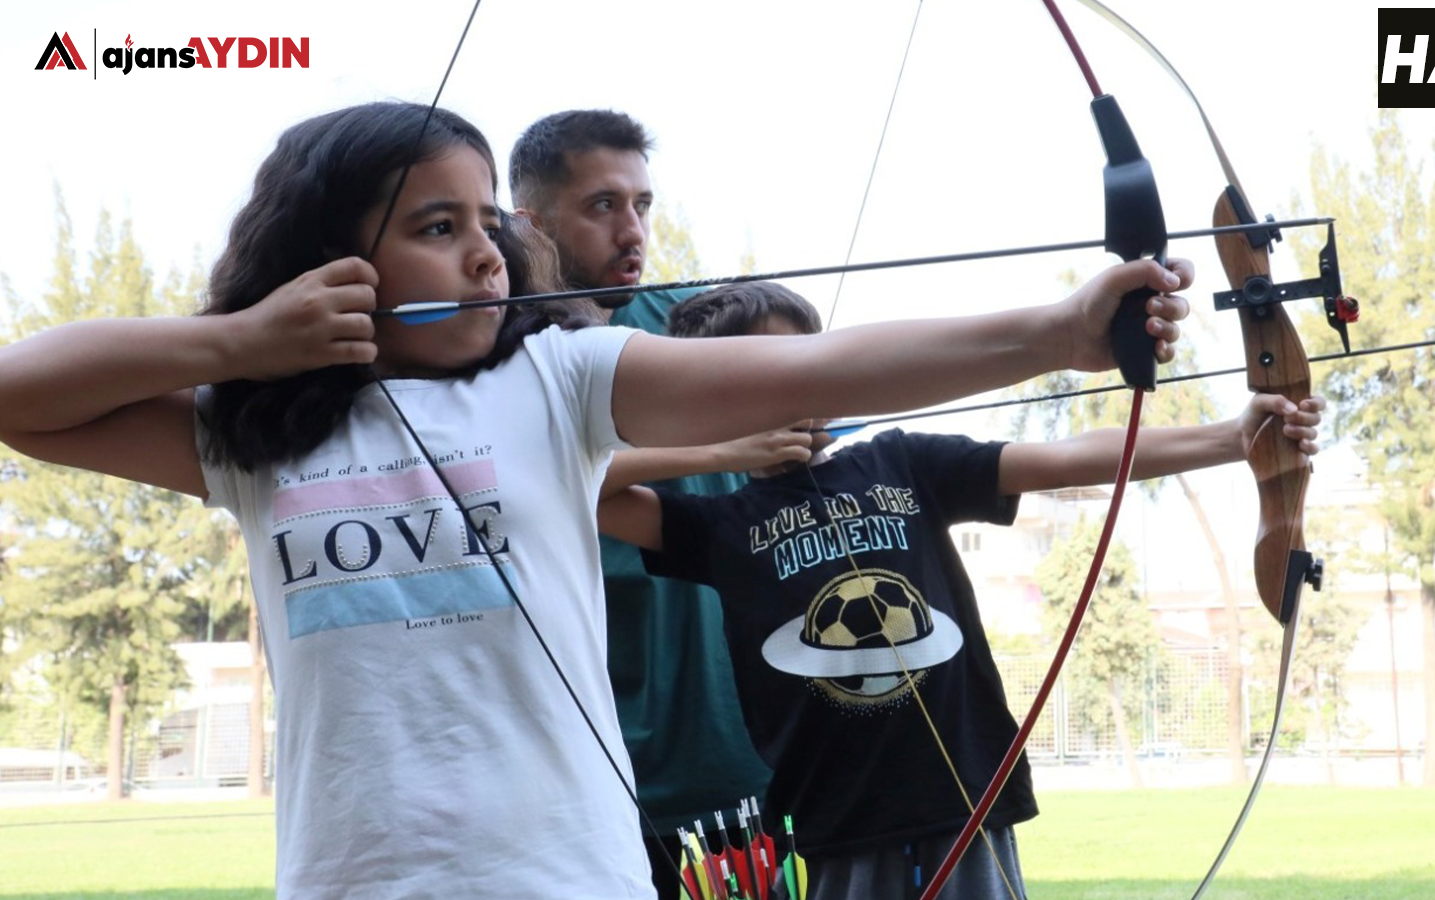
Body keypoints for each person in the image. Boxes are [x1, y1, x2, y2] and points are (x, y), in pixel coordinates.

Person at [0, 101, 1192, 899]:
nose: (483, 254)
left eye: (486, 225)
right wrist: (246, 341)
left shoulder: (556, 380)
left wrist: (1058, 331)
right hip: (348, 876)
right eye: (436, 227)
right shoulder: (259, 436)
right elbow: (21, 398)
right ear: (331, 261)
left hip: (565, 873)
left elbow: (818, 369)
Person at [596, 282, 1323, 900]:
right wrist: (719, 449)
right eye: (770, 379)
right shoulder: (715, 521)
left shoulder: (900, 460)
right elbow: (586, 486)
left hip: (965, 802)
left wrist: (1235, 439)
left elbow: (1067, 459)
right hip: (840, 824)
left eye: (809, 372)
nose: (803, 395)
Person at [510, 109, 782, 898]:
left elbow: (827, 376)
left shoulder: (694, 327)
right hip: (583, 780)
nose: (633, 229)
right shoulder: (496, 362)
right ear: (530, 226)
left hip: (740, 763)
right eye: (603, 206)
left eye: (643, 205)